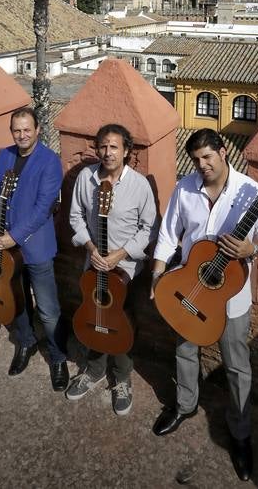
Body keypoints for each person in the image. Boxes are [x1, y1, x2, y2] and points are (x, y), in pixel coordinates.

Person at [150, 128, 258, 482]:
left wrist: (250, 249)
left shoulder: (252, 193)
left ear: (223, 153)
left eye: (208, 157)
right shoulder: (185, 188)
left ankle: (240, 433)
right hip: (189, 288)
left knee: (238, 366)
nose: (202, 165)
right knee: (184, 350)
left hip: (230, 299)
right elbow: (168, 233)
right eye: (196, 159)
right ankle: (185, 405)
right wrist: (158, 273)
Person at [66, 123, 157, 416]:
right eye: (103, 146)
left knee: (121, 322)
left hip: (126, 268)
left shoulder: (139, 185)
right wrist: (92, 249)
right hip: (93, 263)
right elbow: (76, 216)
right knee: (93, 315)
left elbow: (149, 228)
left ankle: (122, 378)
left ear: (127, 151)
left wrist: (120, 254)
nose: (108, 152)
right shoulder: (86, 178)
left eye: (114, 146)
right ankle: (94, 371)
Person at [0, 106, 69, 391]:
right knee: (17, 301)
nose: (22, 135)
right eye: (16, 130)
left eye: (26, 129)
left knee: (48, 309)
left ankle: (57, 357)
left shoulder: (50, 161)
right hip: (4, 245)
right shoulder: (3, 155)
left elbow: (43, 207)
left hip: (36, 247)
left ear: (38, 130)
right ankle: (26, 342)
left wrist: (14, 237)